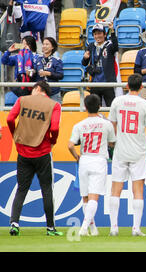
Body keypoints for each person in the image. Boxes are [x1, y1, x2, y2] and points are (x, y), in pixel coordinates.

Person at [7, 81, 63, 236]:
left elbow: (10, 119)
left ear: (38, 88)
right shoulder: (54, 105)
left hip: (23, 152)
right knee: (46, 189)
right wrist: (53, 141)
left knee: (21, 189)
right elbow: (55, 128)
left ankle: (14, 223)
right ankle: (50, 228)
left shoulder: (22, 100)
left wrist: (15, 135)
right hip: (43, 152)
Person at [108, 73, 146, 237]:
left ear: (127, 86)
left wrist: (114, 142)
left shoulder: (117, 101)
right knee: (138, 190)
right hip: (138, 152)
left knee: (116, 189)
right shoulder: (145, 105)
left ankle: (114, 227)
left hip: (121, 151)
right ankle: (136, 228)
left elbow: (112, 124)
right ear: (141, 87)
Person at [68, 94, 116, 236]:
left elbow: (70, 145)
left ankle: (93, 229)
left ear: (85, 107)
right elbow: (112, 143)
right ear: (99, 107)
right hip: (99, 160)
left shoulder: (79, 125)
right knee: (94, 197)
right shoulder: (106, 124)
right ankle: (83, 228)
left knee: (85, 197)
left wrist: (76, 156)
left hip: (84, 160)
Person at [82, 22, 118, 107]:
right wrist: (85, 58)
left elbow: (116, 47)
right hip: (95, 82)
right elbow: (84, 63)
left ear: (105, 34)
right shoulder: (91, 46)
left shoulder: (109, 45)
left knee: (111, 108)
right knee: (95, 108)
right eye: (95, 34)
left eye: (99, 33)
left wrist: (112, 31)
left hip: (108, 82)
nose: (97, 36)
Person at [33, 37, 64, 103]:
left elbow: (60, 75)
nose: (44, 46)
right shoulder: (37, 59)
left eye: (47, 44)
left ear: (52, 47)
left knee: (54, 112)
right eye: (43, 44)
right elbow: (35, 73)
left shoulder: (57, 60)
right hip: (39, 92)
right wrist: (32, 72)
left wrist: (48, 74)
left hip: (53, 92)